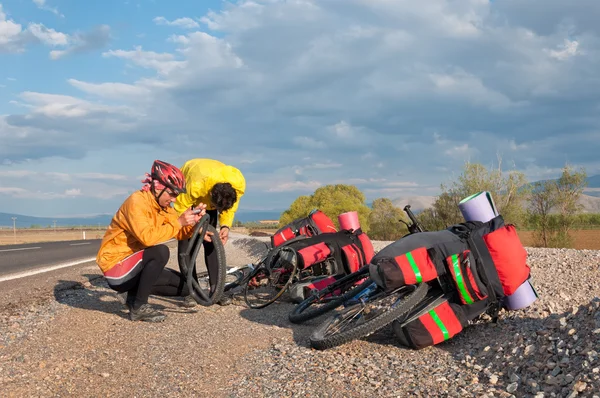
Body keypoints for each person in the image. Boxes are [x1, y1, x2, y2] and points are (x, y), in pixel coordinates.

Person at [96, 160, 207, 322]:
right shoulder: (137, 202)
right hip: (116, 267)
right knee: (160, 251)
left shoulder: (164, 208)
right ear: (158, 187)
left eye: (177, 195)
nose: (174, 199)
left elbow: (180, 232)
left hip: (135, 266)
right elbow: (148, 238)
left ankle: (131, 295)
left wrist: (193, 224)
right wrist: (179, 222)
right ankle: (139, 307)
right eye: (172, 194)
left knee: (187, 287)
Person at [173, 158, 246, 307]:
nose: (214, 209)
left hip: (210, 192)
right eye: (214, 206)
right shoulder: (197, 184)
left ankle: (217, 291)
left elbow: (230, 208)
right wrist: (196, 228)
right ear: (211, 194)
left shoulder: (236, 187)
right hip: (189, 201)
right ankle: (191, 291)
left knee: (212, 243)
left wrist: (225, 226)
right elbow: (179, 208)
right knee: (188, 248)